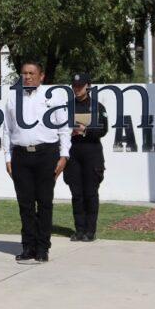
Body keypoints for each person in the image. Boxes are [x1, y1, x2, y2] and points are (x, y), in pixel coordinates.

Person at [2, 62, 71, 264]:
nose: (28, 77)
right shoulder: (13, 98)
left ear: (41, 76)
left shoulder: (53, 98)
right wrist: (8, 157)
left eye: (32, 73)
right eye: (24, 73)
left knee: (44, 202)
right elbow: (7, 130)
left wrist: (64, 156)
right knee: (25, 204)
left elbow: (64, 129)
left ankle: (42, 248)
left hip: (46, 154)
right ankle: (28, 247)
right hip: (21, 156)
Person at [65, 73, 108, 242]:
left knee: (90, 193)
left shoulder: (98, 107)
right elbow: (57, 129)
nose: (77, 89)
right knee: (77, 194)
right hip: (73, 153)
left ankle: (91, 231)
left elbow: (103, 130)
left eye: (80, 86)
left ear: (88, 86)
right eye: (74, 86)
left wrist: (85, 130)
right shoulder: (67, 107)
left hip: (92, 154)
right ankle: (79, 230)